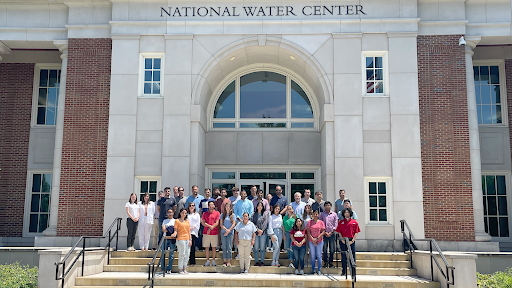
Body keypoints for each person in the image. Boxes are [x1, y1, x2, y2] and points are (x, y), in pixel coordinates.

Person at [335, 208, 360, 276]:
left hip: (351, 240)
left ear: (350, 213)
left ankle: (353, 272)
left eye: (348, 212)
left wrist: (352, 240)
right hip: (343, 241)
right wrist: (342, 240)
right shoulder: (341, 222)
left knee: (352, 256)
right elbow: (339, 232)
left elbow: (356, 232)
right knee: (343, 256)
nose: (346, 214)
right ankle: (344, 271)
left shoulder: (354, 222)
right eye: (345, 212)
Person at [173, 208, 192, 274]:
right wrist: (174, 234)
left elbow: (189, 231)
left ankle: (184, 268)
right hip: (180, 239)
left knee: (187, 254)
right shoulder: (177, 221)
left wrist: (190, 239)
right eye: (183, 213)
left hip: (187, 239)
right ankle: (180, 269)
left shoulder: (187, 221)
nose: (184, 214)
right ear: (180, 213)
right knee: (182, 254)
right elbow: (175, 230)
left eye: (185, 213)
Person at [201, 201, 220, 266]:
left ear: (214, 206)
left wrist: (211, 227)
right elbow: (203, 222)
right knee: (206, 247)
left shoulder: (217, 213)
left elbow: (217, 223)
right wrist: (210, 226)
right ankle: (207, 260)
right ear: (208, 206)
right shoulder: (204, 213)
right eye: (210, 205)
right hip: (206, 233)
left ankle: (213, 260)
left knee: (214, 247)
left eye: (212, 205)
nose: (211, 206)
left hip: (214, 233)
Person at [320, 201, 338, 268]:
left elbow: (336, 223)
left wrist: (331, 231)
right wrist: (324, 232)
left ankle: (331, 263)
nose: (328, 206)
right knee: (324, 249)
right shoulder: (322, 214)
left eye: (329, 205)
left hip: (332, 234)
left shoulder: (334, 214)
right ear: (324, 207)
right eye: (326, 205)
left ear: (331, 206)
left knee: (332, 249)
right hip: (324, 234)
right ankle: (325, 263)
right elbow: (320, 223)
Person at [307, 209, 325, 275]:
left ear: (318, 215)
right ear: (312, 215)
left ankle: (319, 269)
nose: (315, 215)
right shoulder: (309, 222)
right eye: (314, 214)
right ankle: (313, 269)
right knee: (313, 256)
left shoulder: (321, 222)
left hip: (319, 241)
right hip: (311, 241)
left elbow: (323, 231)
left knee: (319, 255)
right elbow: (308, 231)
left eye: (316, 214)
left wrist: (317, 239)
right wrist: (312, 239)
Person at [252, 201, 269, 266]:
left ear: (263, 207)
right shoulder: (254, 214)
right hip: (256, 233)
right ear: (256, 207)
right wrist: (257, 230)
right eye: (258, 205)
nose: (259, 207)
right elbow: (253, 223)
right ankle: (256, 261)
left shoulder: (264, 214)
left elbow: (265, 223)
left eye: (261, 206)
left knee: (262, 248)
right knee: (256, 248)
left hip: (263, 233)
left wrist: (261, 230)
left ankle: (262, 261)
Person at [220, 202, 236, 267]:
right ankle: (224, 261)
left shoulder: (233, 215)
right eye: (226, 206)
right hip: (223, 233)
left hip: (230, 233)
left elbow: (234, 224)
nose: (227, 208)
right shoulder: (222, 215)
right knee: (224, 247)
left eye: (229, 206)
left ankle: (229, 261)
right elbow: (221, 224)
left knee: (229, 247)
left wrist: (229, 230)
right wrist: (226, 230)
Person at [161, 208, 176, 273]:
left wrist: (168, 228)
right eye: (169, 212)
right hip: (165, 238)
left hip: (172, 239)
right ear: (167, 213)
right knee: (163, 253)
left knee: (171, 255)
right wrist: (171, 228)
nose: (170, 214)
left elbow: (176, 230)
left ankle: (169, 268)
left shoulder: (175, 221)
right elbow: (163, 229)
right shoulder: (165, 221)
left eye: (171, 212)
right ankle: (162, 268)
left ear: (173, 213)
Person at [187, 202, 200, 266]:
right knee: (187, 248)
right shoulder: (187, 214)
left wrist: (193, 227)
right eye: (190, 205)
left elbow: (198, 222)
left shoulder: (197, 214)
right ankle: (186, 261)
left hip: (194, 232)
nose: (191, 207)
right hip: (187, 232)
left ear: (195, 207)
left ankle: (192, 262)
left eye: (193, 205)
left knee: (192, 247)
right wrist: (188, 227)